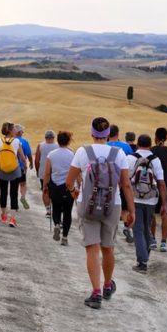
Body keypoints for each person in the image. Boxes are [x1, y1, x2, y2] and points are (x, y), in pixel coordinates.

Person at [65, 117, 135, 309]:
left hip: (87, 204)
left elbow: (69, 180)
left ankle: (95, 293)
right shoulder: (118, 153)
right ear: (108, 134)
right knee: (108, 248)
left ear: (92, 133)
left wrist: (75, 193)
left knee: (92, 249)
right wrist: (131, 209)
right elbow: (126, 184)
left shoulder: (82, 152)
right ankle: (107, 285)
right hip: (113, 205)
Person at [127, 134, 167, 274]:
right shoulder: (155, 160)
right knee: (147, 227)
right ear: (150, 145)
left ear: (137, 144)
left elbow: (125, 182)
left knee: (137, 229)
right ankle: (146, 252)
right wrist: (164, 204)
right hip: (151, 199)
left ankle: (142, 262)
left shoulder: (131, 158)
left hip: (135, 198)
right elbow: (161, 183)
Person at [41, 131, 75, 246]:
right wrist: (79, 185)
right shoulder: (72, 154)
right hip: (68, 187)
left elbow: (47, 173)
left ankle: (56, 224)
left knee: (56, 208)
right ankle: (65, 237)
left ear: (58, 141)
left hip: (55, 186)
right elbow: (76, 172)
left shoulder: (51, 154)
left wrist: (45, 185)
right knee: (67, 212)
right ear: (68, 141)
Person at [0, 122, 27, 228]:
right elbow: (22, 157)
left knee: (3, 193)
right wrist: (25, 166)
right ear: (11, 131)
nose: (15, 131)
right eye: (14, 130)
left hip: (2, 170)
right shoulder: (16, 141)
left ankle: (3, 215)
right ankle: (12, 219)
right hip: (14, 170)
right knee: (13, 194)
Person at [150, 127, 167, 252]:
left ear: (155, 137)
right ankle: (164, 242)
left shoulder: (151, 151)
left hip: (153, 186)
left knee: (152, 214)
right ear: (166, 138)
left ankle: (153, 240)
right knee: (165, 214)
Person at [107, 124, 134, 243]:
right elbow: (131, 164)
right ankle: (127, 227)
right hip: (123, 180)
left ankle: (110, 229)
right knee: (124, 207)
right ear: (118, 134)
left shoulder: (104, 146)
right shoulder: (126, 147)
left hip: (107, 181)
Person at [35, 130, 59, 217]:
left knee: (45, 190)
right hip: (55, 172)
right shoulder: (57, 146)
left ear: (45, 138)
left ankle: (48, 210)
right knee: (55, 191)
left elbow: (37, 160)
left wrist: (38, 170)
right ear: (53, 137)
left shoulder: (40, 145)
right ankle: (55, 208)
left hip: (43, 172)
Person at [14, 124, 34, 210]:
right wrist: (31, 163)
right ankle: (22, 196)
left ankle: (15, 204)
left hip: (12, 167)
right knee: (23, 184)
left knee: (14, 186)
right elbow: (29, 154)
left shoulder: (11, 140)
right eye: (22, 130)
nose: (23, 132)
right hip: (21, 166)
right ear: (19, 132)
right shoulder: (25, 141)